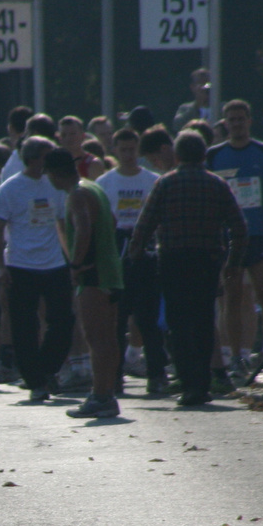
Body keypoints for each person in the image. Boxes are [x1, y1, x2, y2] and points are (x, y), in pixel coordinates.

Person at [127, 131, 247, 406]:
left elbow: (144, 225)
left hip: (173, 260)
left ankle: (188, 382)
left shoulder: (165, 183)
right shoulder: (217, 185)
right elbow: (240, 228)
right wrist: (233, 263)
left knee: (179, 323)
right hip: (207, 260)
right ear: (204, 155)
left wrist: (135, 255)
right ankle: (203, 383)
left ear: (177, 155)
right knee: (204, 321)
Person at [207, 99, 263, 380]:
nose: (237, 124)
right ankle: (236, 356)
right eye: (231, 119)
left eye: (241, 118)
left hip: (258, 234)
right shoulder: (214, 155)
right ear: (225, 123)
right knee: (232, 297)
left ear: (249, 121)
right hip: (227, 237)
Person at [0, 138, 71, 402]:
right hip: (21, 264)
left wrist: (71, 259)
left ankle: (47, 368)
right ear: (33, 159)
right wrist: (0, 266)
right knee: (24, 325)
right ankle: (34, 380)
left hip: (54, 263)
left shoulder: (55, 184)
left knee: (63, 320)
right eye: (46, 157)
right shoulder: (10, 188)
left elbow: (61, 222)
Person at [45, 149, 123, 418]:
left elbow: (83, 228)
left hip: (93, 275)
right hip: (112, 272)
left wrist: (77, 265)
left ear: (54, 174)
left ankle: (101, 397)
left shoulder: (76, 195)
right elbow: (112, 221)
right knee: (109, 338)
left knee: (96, 337)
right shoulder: (94, 187)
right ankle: (107, 393)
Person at [98, 129, 166, 392]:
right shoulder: (105, 183)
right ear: (114, 150)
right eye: (122, 150)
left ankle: (156, 374)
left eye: (131, 149)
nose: (127, 155)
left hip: (146, 251)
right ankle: (114, 376)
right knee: (117, 318)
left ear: (137, 149)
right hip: (117, 253)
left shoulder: (152, 180)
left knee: (148, 318)